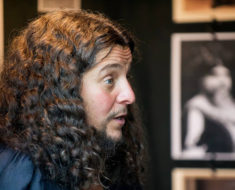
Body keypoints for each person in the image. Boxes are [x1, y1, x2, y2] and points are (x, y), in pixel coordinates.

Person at [0, 10, 146, 190]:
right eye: (109, 80)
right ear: (62, 88)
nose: (130, 95)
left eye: (126, 77)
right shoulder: (20, 176)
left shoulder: (104, 161)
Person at [183, 63, 235, 157]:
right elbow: (191, 145)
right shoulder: (196, 105)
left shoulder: (230, 104)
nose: (223, 81)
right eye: (215, 75)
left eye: (226, 75)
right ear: (202, 79)